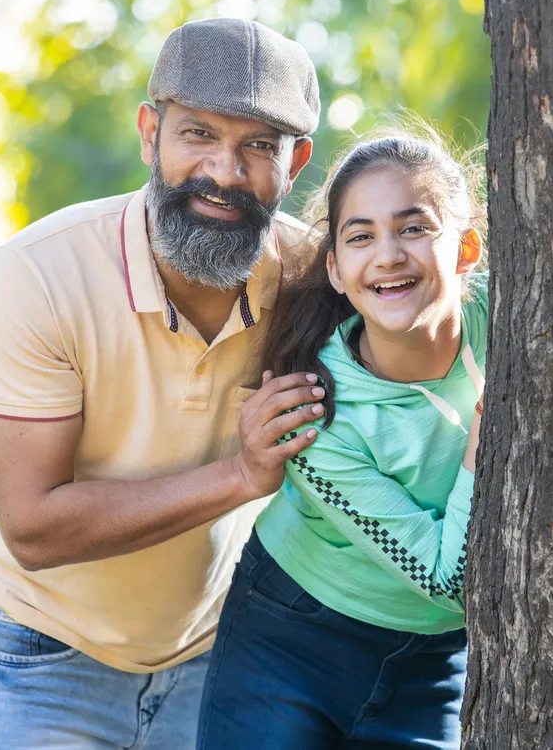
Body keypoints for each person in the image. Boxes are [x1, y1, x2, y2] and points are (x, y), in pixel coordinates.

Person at [0, 17, 330, 748]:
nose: (225, 172)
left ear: (296, 163)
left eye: (259, 146)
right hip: (41, 663)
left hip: (213, 658)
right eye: (199, 135)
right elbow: (32, 526)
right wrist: (240, 476)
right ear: (150, 134)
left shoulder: (317, 281)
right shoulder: (42, 273)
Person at [196, 131, 488, 749]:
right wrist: (486, 447)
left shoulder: (513, 321)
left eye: (414, 228)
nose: (388, 256)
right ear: (334, 268)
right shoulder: (315, 413)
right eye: (360, 237)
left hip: (435, 661)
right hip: (291, 639)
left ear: (466, 248)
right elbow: (447, 579)